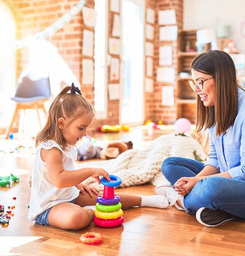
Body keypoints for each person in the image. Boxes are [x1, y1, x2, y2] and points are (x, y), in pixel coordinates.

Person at [156, 50, 245, 227]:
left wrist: (198, 181)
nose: (197, 90)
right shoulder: (216, 107)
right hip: (230, 183)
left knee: (211, 188)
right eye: (194, 83)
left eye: (201, 82)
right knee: (170, 165)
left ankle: (182, 202)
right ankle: (219, 208)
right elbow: (215, 160)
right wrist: (197, 180)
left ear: (220, 79)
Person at [28, 84, 168, 230]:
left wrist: (77, 184)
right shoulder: (50, 149)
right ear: (61, 123)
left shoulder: (66, 144)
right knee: (77, 218)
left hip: (70, 196)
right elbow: (59, 179)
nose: (84, 133)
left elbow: (64, 174)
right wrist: (89, 171)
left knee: (107, 198)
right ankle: (93, 210)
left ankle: (145, 200)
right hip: (49, 207)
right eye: (81, 128)